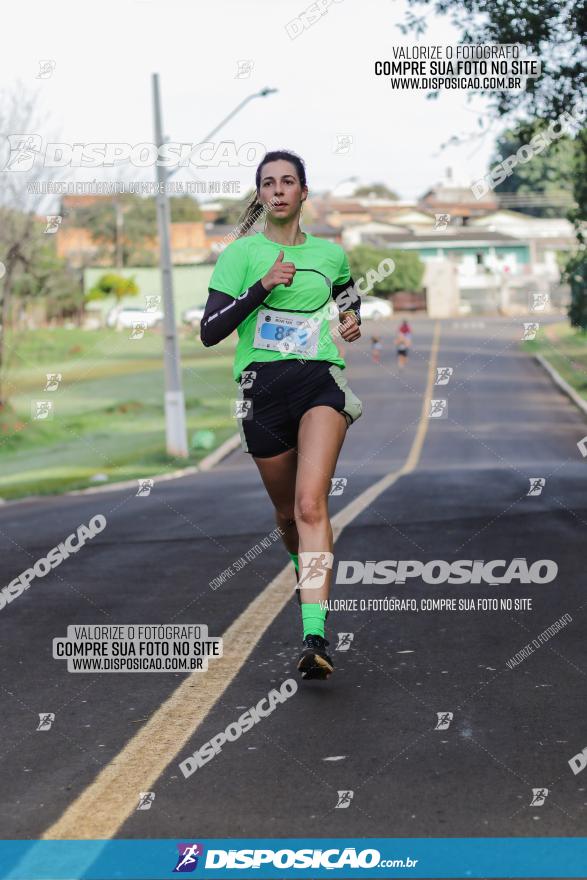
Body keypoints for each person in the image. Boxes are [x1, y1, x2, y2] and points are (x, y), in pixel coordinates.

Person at [200, 150, 363, 681]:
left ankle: (314, 633)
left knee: (311, 504)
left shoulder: (329, 253)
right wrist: (262, 286)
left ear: (302, 192)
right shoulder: (241, 255)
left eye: (287, 181)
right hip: (260, 390)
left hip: (319, 380)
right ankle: (304, 573)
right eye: (267, 183)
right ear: (260, 195)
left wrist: (351, 316)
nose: (277, 190)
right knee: (288, 516)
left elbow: (347, 290)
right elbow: (210, 331)